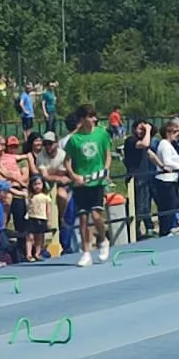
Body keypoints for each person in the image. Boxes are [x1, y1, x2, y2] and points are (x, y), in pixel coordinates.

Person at [62, 104, 113, 266]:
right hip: (81, 182)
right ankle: (86, 252)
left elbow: (107, 154)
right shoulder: (74, 139)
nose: (93, 120)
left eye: (94, 117)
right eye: (90, 117)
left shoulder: (101, 134)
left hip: (97, 181)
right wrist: (74, 175)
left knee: (96, 215)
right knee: (83, 218)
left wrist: (105, 169)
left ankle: (103, 240)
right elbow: (67, 161)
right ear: (82, 119)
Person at [24, 174, 54, 261]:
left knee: (40, 237)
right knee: (29, 237)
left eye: (39, 184)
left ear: (43, 184)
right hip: (31, 218)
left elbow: (48, 210)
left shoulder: (46, 197)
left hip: (41, 218)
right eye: (35, 184)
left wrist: (49, 220)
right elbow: (21, 193)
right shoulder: (30, 196)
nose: (37, 186)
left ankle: (38, 253)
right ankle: (28, 254)